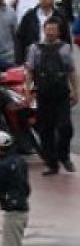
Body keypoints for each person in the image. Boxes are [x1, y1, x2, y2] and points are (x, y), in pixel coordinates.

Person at [25, 17, 78, 175]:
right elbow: (29, 71)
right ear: (44, 29)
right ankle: (51, 163)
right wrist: (28, 91)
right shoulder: (35, 48)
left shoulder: (65, 48)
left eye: (53, 29)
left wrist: (76, 91)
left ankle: (64, 156)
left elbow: (72, 71)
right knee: (45, 129)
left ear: (58, 31)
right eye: (48, 29)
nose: (50, 32)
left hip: (62, 93)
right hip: (43, 94)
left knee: (65, 127)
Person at [15, 0, 66, 64]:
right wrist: (19, 61)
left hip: (56, 58)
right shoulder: (29, 16)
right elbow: (20, 39)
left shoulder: (60, 17)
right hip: (33, 58)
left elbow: (66, 39)